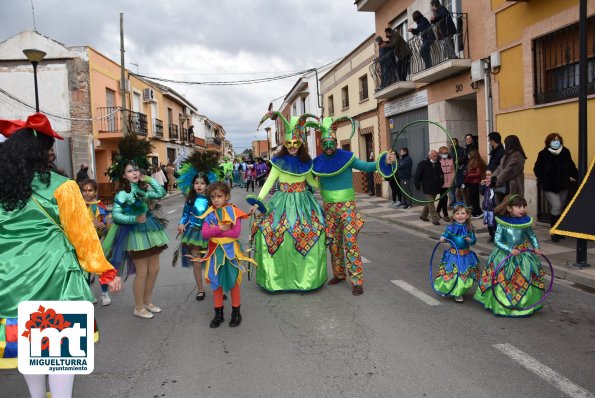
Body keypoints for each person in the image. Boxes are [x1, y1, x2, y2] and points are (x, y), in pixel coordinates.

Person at [0, 113, 121, 397]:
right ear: (40, 152)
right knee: (60, 350)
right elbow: (83, 235)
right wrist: (105, 270)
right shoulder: (62, 186)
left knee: (30, 348)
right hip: (56, 277)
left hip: (11, 278)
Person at [313, 117, 396, 296]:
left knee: (350, 243)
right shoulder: (317, 162)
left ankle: (357, 281)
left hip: (347, 207)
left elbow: (367, 166)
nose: (328, 146)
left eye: (331, 143)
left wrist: (385, 161)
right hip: (329, 208)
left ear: (336, 143)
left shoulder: (347, 157)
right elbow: (307, 178)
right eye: (325, 143)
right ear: (322, 143)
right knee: (333, 244)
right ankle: (339, 274)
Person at [248, 113, 327, 292]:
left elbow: (312, 183)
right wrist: (257, 202)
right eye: (289, 143)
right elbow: (268, 183)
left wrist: (324, 179)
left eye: (296, 143)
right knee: (272, 232)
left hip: (304, 203)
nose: (292, 147)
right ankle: (279, 279)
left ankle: (305, 278)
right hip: (281, 202)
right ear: (285, 144)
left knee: (311, 230)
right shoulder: (278, 163)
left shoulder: (306, 163)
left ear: (301, 144)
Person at [102, 143, 169, 319]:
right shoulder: (122, 194)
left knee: (155, 269)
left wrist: (149, 179)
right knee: (143, 271)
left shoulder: (142, 189)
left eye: (136, 170)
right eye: (130, 171)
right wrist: (133, 219)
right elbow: (116, 215)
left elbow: (160, 192)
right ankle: (138, 307)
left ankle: (147, 301)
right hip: (133, 234)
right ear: (124, 175)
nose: (135, 173)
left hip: (150, 230)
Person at [196, 181, 255, 327]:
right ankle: (219, 314)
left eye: (219, 196)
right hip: (215, 253)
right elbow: (205, 233)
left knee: (233, 281)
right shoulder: (209, 213)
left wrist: (215, 229)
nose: (216, 200)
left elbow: (235, 233)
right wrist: (221, 228)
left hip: (231, 254)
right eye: (213, 196)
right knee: (216, 284)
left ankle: (236, 313)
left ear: (227, 197)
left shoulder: (234, 211)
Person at [474, 194, 545, 317]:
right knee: (503, 279)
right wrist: (509, 249)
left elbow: (532, 236)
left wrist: (536, 247)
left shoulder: (525, 222)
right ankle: (502, 304)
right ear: (509, 208)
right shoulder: (503, 223)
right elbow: (497, 241)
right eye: (518, 206)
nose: (522, 209)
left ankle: (524, 303)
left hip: (523, 256)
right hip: (504, 256)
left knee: (525, 277)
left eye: (523, 206)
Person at [533, 132, 578, 242]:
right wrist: (543, 179)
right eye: (553, 140)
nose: (556, 142)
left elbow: (571, 166)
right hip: (549, 185)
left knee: (560, 208)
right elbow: (537, 169)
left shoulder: (565, 152)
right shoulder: (543, 154)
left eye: (557, 140)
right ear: (549, 142)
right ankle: (553, 232)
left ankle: (559, 231)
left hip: (563, 184)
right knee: (556, 206)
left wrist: (578, 176)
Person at [433, 203, 479, 302]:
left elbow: (474, 241)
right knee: (453, 273)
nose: (460, 215)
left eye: (462, 213)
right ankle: (454, 291)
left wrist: (470, 240)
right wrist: (443, 238)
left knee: (463, 274)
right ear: (453, 216)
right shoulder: (451, 227)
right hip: (453, 255)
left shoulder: (469, 228)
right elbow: (445, 235)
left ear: (467, 216)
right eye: (457, 213)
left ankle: (459, 292)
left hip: (466, 255)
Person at [80, 178, 113, 306]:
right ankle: (88, 294)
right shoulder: (78, 206)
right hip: (84, 242)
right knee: (86, 269)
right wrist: (90, 223)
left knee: (101, 268)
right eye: (84, 190)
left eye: (90, 190)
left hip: (99, 241)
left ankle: (105, 293)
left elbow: (107, 222)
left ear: (95, 192)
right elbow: (74, 223)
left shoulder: (100, 206)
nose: (87, 193)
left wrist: (104, 224)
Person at [414, 150, 444, 226]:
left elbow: (441, 174)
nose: (436, 158)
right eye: (434, 156)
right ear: (429, 156)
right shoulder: (422, 164)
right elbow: (417, 176)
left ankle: (423, 216)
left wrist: (441, 182)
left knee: (429, 203)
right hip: (427, 187)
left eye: (436, 156)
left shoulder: (437, 163)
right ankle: (435, 219)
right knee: (431, 204)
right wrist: (417, 185)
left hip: (435, 187)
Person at [464, 149, 486, 218]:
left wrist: (468, 175)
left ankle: (478, 212)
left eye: (469, 154)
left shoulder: (477, 163)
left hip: (475, 183)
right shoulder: (472, 162)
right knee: (473, 198)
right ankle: (475, 211)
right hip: (471, 182)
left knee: (473, 198)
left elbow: (478, 173)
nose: (468, 156)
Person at [437, 146, 454, 221]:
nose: (445, 154)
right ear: (440, 153)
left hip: (449, 181)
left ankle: (437, 211)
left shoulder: (450, 159)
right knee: (444, 197)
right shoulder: (438, 160)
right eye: (444, 153)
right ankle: (445, 215)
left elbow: (453, 170)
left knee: (443, 197)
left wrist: (452, 179)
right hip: (441, 181)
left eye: (446, 152)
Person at [480, 170, 497, 242]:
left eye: (489, 175)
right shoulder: (486, 184)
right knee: (489, 224)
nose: (487, 176)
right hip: (486, 207)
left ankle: (496, 236)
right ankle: (491, 236)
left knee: (494, 223)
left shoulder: (495, 185)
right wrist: (482, 185)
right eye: (486, 175)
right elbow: (482, 192)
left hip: (493, 208)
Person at [449, 137, 466, 204]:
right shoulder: (450, 152)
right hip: (452, 172)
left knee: (459, 189)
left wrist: (459, 161)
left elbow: (465, 160)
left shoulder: (462, 150)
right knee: (452, 187)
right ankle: (453, 203)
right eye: (451, 143)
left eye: (454, 142)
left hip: (459, 172)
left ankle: (460, 203)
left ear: (457, 143)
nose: (452, 144)